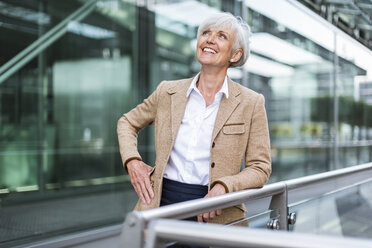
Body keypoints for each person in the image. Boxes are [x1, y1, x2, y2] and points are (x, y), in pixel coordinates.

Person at [117, 12, 271, 226]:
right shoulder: (167, 91)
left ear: (235, 55)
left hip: (217, 210)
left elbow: (260, 168)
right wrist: (132, 161)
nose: (209, 39)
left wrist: (225, 187)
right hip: (159, 202)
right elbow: (127, 122)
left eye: (221, 36)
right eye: (205, 33)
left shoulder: (251, 102)